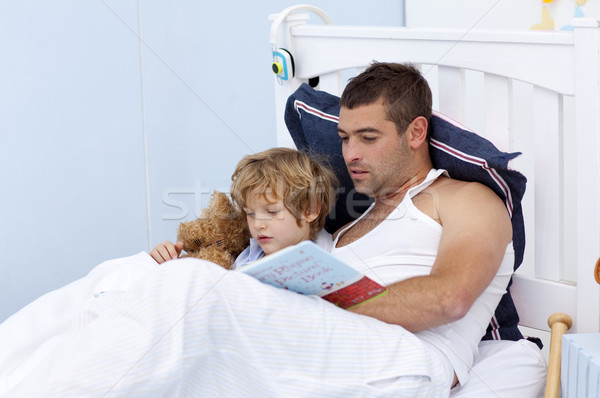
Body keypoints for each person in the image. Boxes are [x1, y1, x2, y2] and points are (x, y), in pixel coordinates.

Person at [0, 64, 544, 397]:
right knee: (127, 277)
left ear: (416, 131)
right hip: (322, 338)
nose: (350, 154)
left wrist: (327, 296)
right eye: (344, 137)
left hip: (405, 361)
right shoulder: (354, 213)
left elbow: (450, 298)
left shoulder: (467, 199)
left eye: (369, 138)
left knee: (191, 290)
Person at [149, 147, 337, 267]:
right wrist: (168, 259)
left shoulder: (323, 255)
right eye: (250, 213)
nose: (258, 225)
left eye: (272, 212)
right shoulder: (249, 255)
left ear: (310, 210)